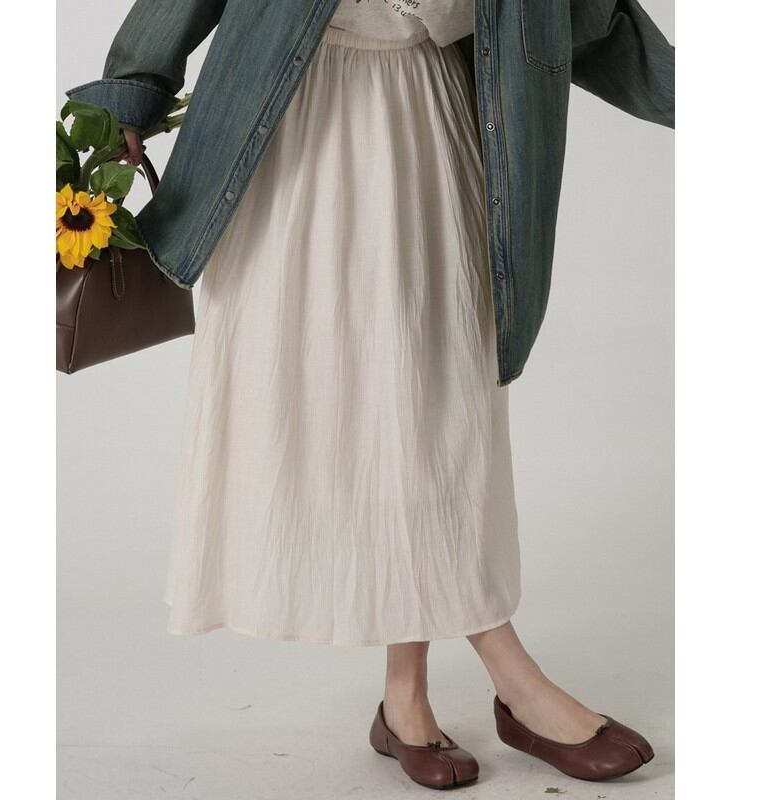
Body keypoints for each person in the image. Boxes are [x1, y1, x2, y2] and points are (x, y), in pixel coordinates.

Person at [66, 0, 673, 790]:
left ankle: (404, 697)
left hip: (434, 111)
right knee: (380, 402)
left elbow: (585, 13)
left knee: (432, 403)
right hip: (294, 121)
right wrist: (127, 93)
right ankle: (510, 677)